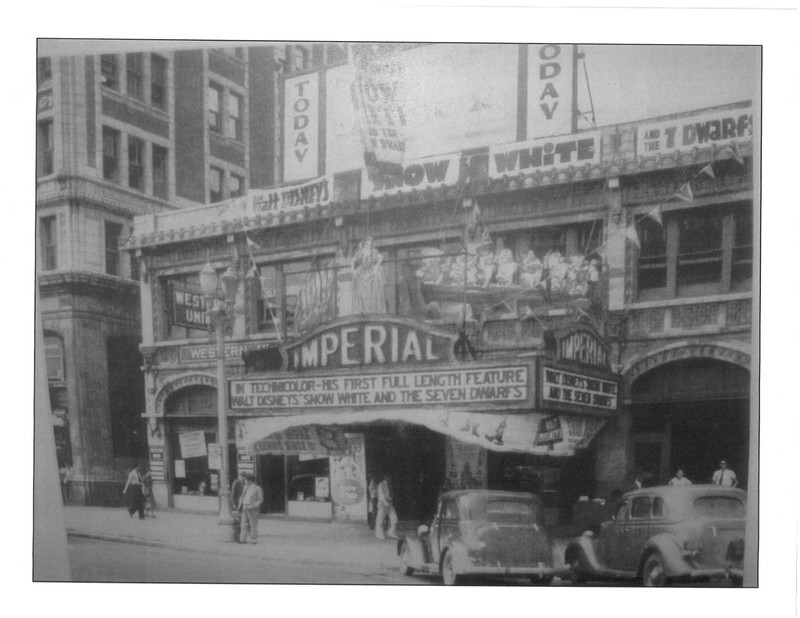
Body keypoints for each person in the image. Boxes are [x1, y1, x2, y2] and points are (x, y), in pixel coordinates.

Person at [352, 237, 386, 314]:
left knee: (374, 289)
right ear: (364, 244)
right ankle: (363, 309)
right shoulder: (360, 252)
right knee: (362, 291)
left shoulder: (374, 251)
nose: (369, 245)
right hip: (362, 273)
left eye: (370, 244)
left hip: (371, 272)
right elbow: (353, 261)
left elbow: (381, 257)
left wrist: (377, 265)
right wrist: (353, 270)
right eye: (367, 243)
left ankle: (373, 309)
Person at [238, 474, 264, 544]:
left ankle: (253, 539)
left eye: (246, 480)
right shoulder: (245, 487)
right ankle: (242, 539)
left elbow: (260, 499)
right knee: (243, 523)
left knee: (253, 524)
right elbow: (242, 496)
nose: (245, 481)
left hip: (252, 508)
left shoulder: (257, 488)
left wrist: (253, 505)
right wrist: (240, 505)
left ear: (250, 480)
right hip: (244, 507)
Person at [375, 473, 399, 540]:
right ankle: (379, 534)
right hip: (382, 504)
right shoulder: (381, 485)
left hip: (389, 504)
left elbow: (390, 495)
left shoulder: (390, 485)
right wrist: (386, 503)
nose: (390, 478)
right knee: (380, 520)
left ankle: (391, 532)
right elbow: (381, 495)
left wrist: (390, 500)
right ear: (385, 477)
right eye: (389, 477)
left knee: (394, 519)